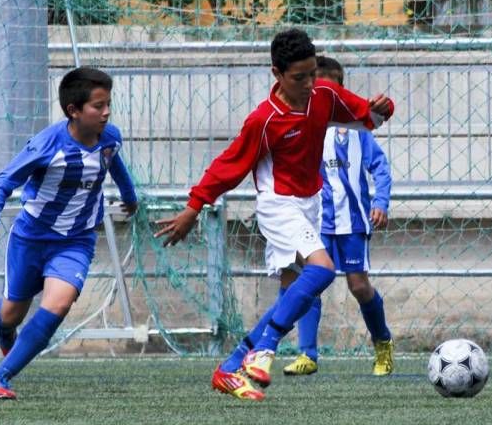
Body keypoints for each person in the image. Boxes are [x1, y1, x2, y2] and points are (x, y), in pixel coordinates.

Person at [155, 29, 393, 401]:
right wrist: (193, 207)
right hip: (278, 205)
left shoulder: (323, 96)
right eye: (300, 77)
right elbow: (229, 166)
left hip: (311, 203)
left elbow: (368, 118)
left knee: (290, 297)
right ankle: (263, 350)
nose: (309, 83)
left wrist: (383, 107)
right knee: (323, 270)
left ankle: (229, 369)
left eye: (313, 73)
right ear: (277, 74)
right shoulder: (264, 120)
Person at [0, 67, 138, 400]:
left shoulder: (111, 138)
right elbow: (2, 182)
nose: (106, 112)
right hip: (31, 240)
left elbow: (115, 165)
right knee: (10, 314)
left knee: (59, 304)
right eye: (98, 106)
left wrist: (130, 197)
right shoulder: (46, 145)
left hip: (76, 241)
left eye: (108, 104)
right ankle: (6, 334)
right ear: (73, 111)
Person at [282, 56, 394, 378]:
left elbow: (381, 168)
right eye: (314, 86)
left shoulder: (358, 131)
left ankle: (382, 343)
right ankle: (308, 354)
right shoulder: (306, 127)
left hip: (353, 222)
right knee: (311, 282)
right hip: (317, 221)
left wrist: (381, 203)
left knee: (358, 286)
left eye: (326, 87)